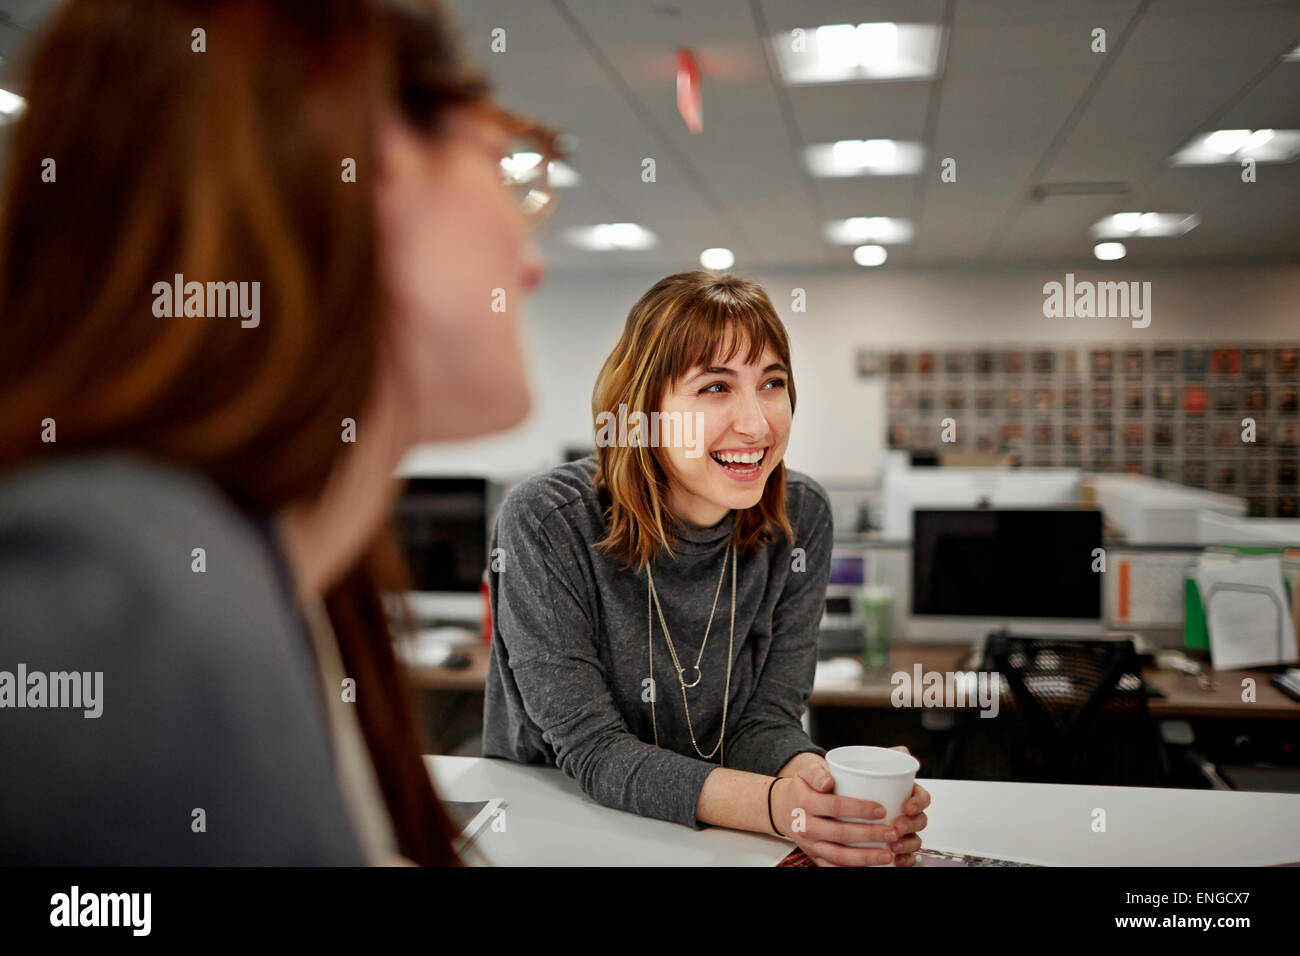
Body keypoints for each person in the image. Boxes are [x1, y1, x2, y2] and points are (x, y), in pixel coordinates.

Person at [0, 0, 554, 865]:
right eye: (507, 165)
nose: (533, 251)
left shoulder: (296, 580)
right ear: (370, 164)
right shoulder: (122, 604)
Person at [483, 271, 931, 866]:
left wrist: (827, 797)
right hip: (559, 826)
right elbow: (594, 752)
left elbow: (765, 721)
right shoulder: (547, 521)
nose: (757, 423)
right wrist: (780, 808)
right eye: (715, 388)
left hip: (712, 838)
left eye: (771, 383)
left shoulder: (801, 517)